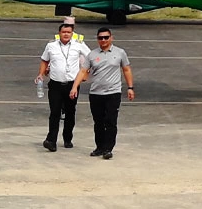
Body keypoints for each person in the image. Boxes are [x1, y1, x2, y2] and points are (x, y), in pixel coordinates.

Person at [70, 27, 134, 160]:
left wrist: (130, 87)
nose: (103, 40)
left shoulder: (120, 53)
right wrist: (74, 87)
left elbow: (126, 70)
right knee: (98, 122)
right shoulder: (92, 55)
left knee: (110, 121)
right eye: (100, 38)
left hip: (113, 93)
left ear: (111, 38)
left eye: (106, 37)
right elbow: (83, 71)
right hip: (96, 94)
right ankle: (99, 147)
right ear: (97, 39)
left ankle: (108, 149)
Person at [36, 22, 90, 152]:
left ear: (72, 33)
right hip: (55, 84)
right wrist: (41, 74)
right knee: (55, 112)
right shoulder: (51, 46)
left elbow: (90, 58)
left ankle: (67, 138)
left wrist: (85, 73)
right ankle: (51, 140)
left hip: (72, 85)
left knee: (70, 112)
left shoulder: (78, 45)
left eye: (68, 32)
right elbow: (44, 60)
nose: (66, 34)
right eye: (63, 32)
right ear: (59, 33)